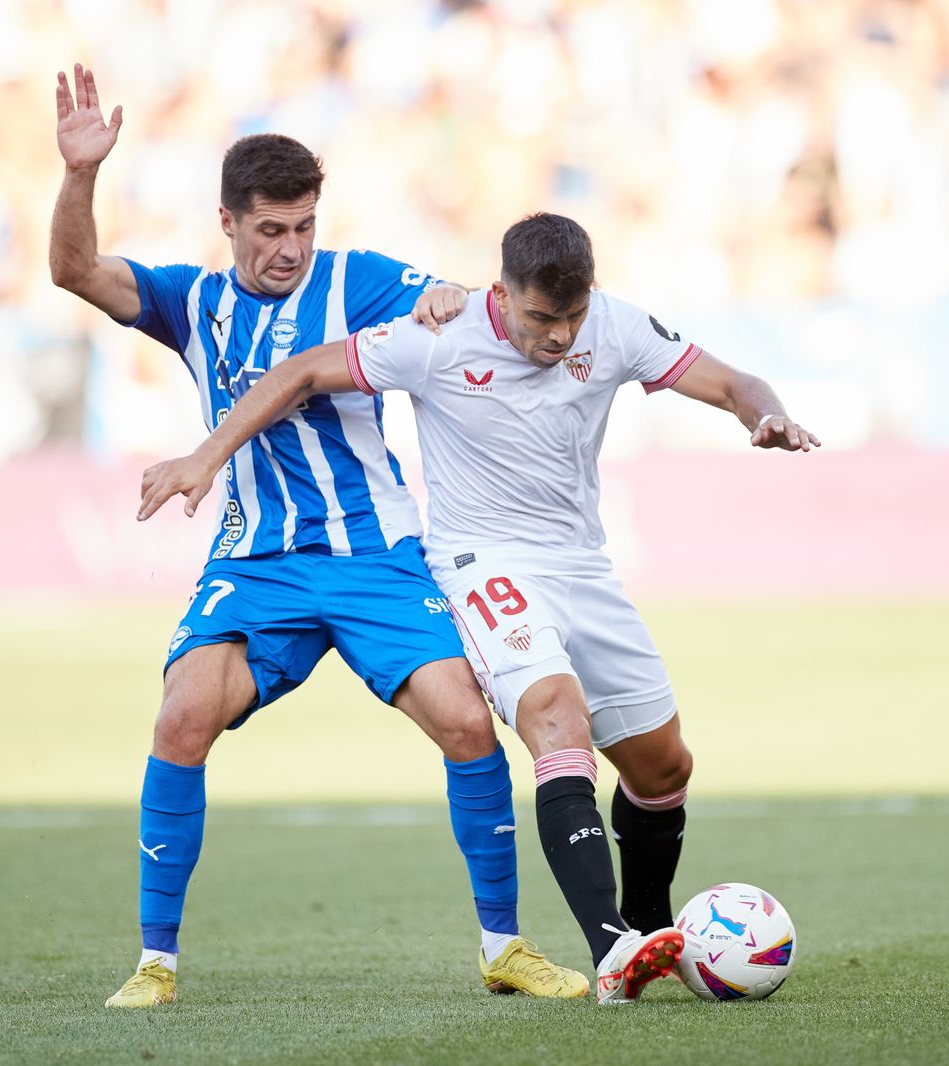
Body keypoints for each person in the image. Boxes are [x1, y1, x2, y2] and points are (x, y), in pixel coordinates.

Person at [137, 212, 821, 1005]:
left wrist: (762, 415)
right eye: (541, 317)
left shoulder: (615, 325)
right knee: (555, 716)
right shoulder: (439, 337)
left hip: (581, 564)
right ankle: (610, 950)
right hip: (480, 562)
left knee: (664, 766)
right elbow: (298, 373)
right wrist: (206, 456)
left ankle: (644, 918)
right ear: (503, 293)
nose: (560, 336)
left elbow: (735, 381)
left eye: (571, 316)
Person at [49, 66, 585, 1007]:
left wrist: (444, 301)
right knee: (182, 714)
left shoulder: (359, 280)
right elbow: (74, 272)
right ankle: (156, 964)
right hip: (257, 563)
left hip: (376, 554)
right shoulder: (192, 303)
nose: (291, 248)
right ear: (228, 224)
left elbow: (451, 297)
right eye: (270, 229)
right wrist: (82, 175)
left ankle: (502, 945)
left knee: (467, 721)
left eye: (303, 226)